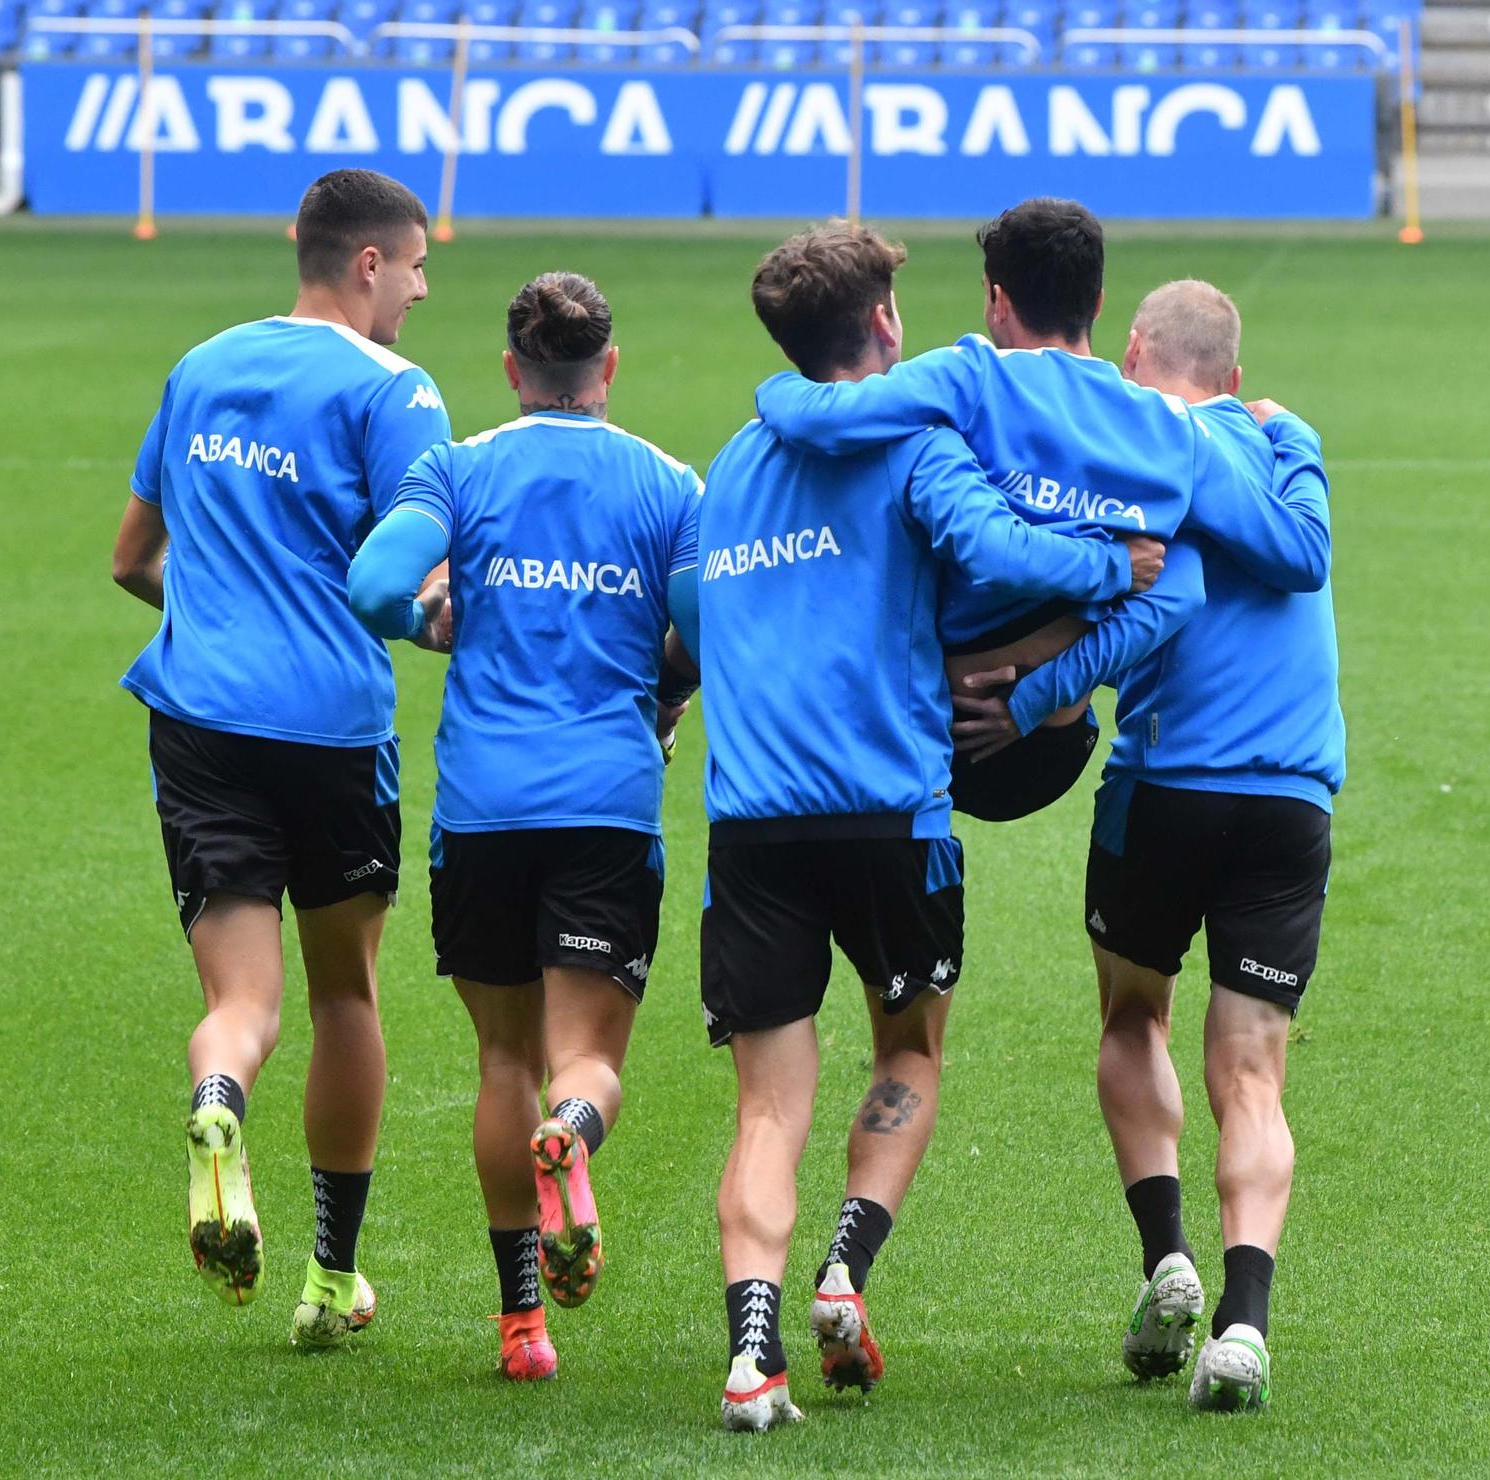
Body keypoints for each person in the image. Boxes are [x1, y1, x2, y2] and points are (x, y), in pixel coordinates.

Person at [693, 222, 1165, 1432]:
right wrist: (1115, 562)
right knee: (905, 1054)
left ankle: (752, 1357)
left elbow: (699, 621)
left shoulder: (736, 461)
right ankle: (843, 1270)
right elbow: (999, 548)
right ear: (889, 329)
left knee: (764, 1108)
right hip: (890, 815)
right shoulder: (914, 442)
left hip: (750, 826)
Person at [109, 168, 449, 1345]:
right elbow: (414, 578)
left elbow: (130, 558)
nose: (415, 291)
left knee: (240, 1000)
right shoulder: (397, 391)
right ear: (366, 263)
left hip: (198, 718)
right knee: (345, 990)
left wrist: (213, 619)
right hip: (331, 728)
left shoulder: (199, 364)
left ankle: (216, 1102)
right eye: (413, 268)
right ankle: (328, 1278)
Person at [346, 272, 702, 1383]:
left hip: (483, 811)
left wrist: (424, 617)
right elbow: (709, 630)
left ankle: (520, 1330)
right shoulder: (666, 485)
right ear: (607, 368)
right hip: (603, 803)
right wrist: (663, 689)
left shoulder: (458, 468)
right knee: (583, 1060)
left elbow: (369, 586)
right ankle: (574, 1134)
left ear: (511, 370)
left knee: (501, 1056)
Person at [1005, 281, 1343, 1412]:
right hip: (1289, 797)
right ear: (1234, 378)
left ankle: (1167, 1259)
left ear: (1136, 352)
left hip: (1164, 785)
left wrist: (1018, 698)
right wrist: (1286, 430)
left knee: (1131, 1015)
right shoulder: (1286, 449)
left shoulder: (1129, 445)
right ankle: (1242, 1328)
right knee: (1250, 1070)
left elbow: (1083, 596)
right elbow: (1299, 548)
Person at [753, 198, 1329, 826]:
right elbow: (1270, 564)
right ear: (1100, 302)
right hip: (1047, 739)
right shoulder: (1170, 432)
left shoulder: (967, 377)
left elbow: (826, 418)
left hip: (941, 724)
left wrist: (772, 387)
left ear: (997, 301)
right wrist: (1293, 433)